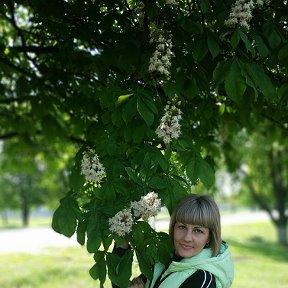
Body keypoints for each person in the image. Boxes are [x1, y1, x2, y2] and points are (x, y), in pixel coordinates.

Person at [114, 193, 234, 288]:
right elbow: (120, 283)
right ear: (173, 227)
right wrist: (121, 245)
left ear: (209, 237)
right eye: (182, 227)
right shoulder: (164, 261)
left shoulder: (202, 279)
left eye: (198, 231)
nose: (187, 238)